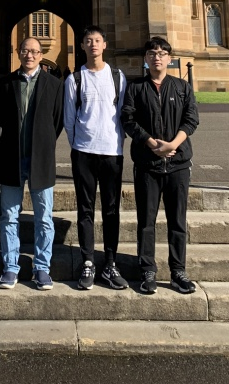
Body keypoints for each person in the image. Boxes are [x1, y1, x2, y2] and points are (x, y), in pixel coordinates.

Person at [121, 36, 200, 295]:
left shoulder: (182, 87)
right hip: (147, 163)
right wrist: (150, 142)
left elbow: (191, 119)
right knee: (146, 221)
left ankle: (178, 271)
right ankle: (147, 270)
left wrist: (173, 143)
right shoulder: (135, 88)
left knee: (177, 221)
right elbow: (128, 119)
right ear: (146, 58)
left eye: (162, 53)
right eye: (152, 53)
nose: (157, 57)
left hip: (178, 163)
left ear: (169, 58)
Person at [0, 36, 63, 290]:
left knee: (44, 218)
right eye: (25, 50)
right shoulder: (6, 82)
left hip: (41, 159)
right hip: (11, 158)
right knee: (9, 216)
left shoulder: (54, 84)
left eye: (34, 51)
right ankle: (10, 267)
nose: (30, 55)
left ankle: (42, 267)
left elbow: (57, 121)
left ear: (41, 54)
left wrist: (43, 142)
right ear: (18, 52)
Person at [64, 26, 127, 290]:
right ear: (82, 45)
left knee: (112, 210)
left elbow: (123, 114)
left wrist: (117, 142)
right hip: (84, 152)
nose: (93, 45)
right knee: (85, 209)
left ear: (104, 45)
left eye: (97, 40)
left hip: (112, 152)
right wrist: (80, 143)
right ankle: (88, 261)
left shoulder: (118, 77)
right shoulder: (75, 79)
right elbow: (69, 118)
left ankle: (110, 263)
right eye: (88, 41)